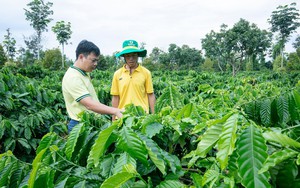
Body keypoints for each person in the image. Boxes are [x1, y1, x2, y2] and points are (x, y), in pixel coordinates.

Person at [62, 40, 123, 132]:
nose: (96, 64)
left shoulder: (83, 73)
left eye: (97, 61)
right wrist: (115, 111)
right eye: (93, 60)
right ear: (81, 57)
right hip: (81, 125)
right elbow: (89, 104)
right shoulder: (73, 77)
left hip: (91, 122)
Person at [110, 39, 156, 119]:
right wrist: (113, 119)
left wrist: (154, 116)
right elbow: (115, 97)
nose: (131, 58)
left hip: (142, 116)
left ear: (138, 55)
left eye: (134, 55)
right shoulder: (117, 74)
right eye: (128, 56)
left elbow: (150, 95)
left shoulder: (146, 73)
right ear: (124, 56)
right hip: (122, 116)